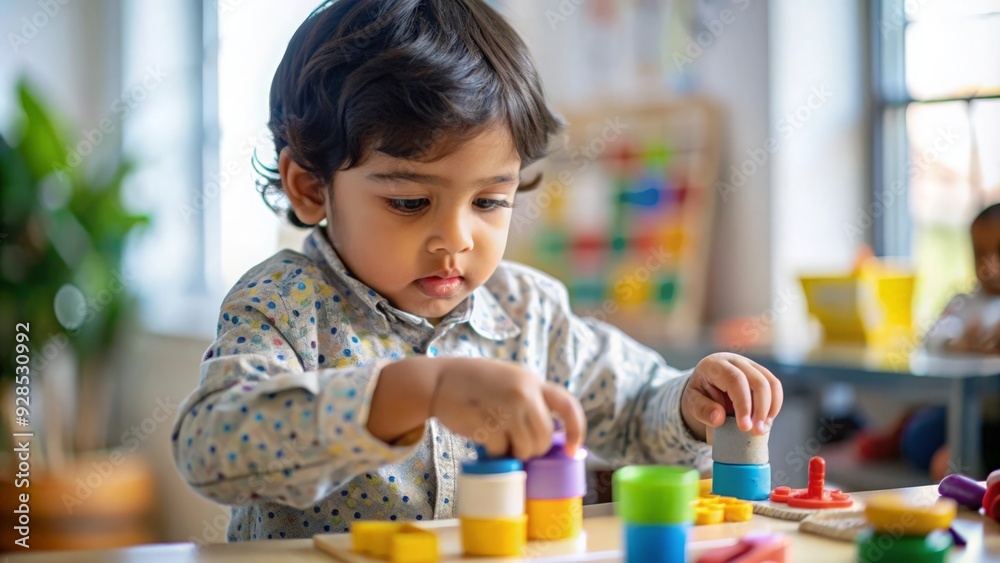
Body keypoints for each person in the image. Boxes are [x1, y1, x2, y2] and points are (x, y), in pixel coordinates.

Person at [171, 0, 783, 542]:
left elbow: (633, 407)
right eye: (410, 202)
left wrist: (690, 403)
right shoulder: (281, 305)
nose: (457, 240)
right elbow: (212, 446)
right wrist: (416, 392)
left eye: (490, 201)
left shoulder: (530, 313)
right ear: (309, 188)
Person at [925, 203, 1000, 354]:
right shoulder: (962, 303)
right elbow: (932, 339)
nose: (990, 267)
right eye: (980, 254)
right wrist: (956, 344)